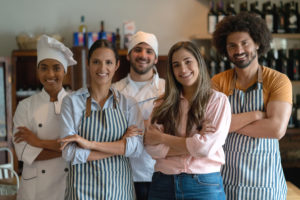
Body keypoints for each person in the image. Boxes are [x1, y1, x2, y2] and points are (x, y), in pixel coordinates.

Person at [212, 12, 292, 199]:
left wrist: (227, 125)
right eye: (232, 45)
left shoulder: (278, 81)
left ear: (257, 42)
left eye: (244, 43)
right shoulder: (218, 82)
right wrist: (257, 115)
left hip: (266, 185)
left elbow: (276, 130)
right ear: (226, 50)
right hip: (226, 182)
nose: (238, 50)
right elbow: (209, 125)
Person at [144, 41, 231, 200]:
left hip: (203, 184)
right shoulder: (161, 104)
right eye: (176, 65)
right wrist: (193, 142)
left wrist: (163, 138)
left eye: (188, 62)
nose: (183, 69)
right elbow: (151, 147)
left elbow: (204, 148)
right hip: (163, 183)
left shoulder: (217, 101)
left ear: (199, 62)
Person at [59, 39, 144, 199]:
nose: (102, 68)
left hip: (119, 192)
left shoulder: (128, 104)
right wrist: (120, 146)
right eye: (96, 62)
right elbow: (69, 152)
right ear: (88, 64)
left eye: (108, 62)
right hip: (81, 192)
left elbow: (136, 148)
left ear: (117, 65)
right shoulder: (71, 102)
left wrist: (88, 144)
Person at [13, 34, 77, 200]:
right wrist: (68, 149)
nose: (50, 74)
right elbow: (23, 152)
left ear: (65, 70)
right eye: (43, 67)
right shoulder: (25, 106)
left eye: (56, 67)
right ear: (37, 71)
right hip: (35, 190)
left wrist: (38, 142)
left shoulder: (76, 103)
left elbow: (82, 145)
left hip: (67, 185)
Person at [113, 31, 165, 199]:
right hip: (122, 174)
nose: (143, 55)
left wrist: (132, 128)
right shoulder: (114, 90)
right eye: (138, 49)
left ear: (156, 58)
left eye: (149, 51)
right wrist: (148, 126)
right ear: (129, 55)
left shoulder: (167, 89)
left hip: (159, 173)